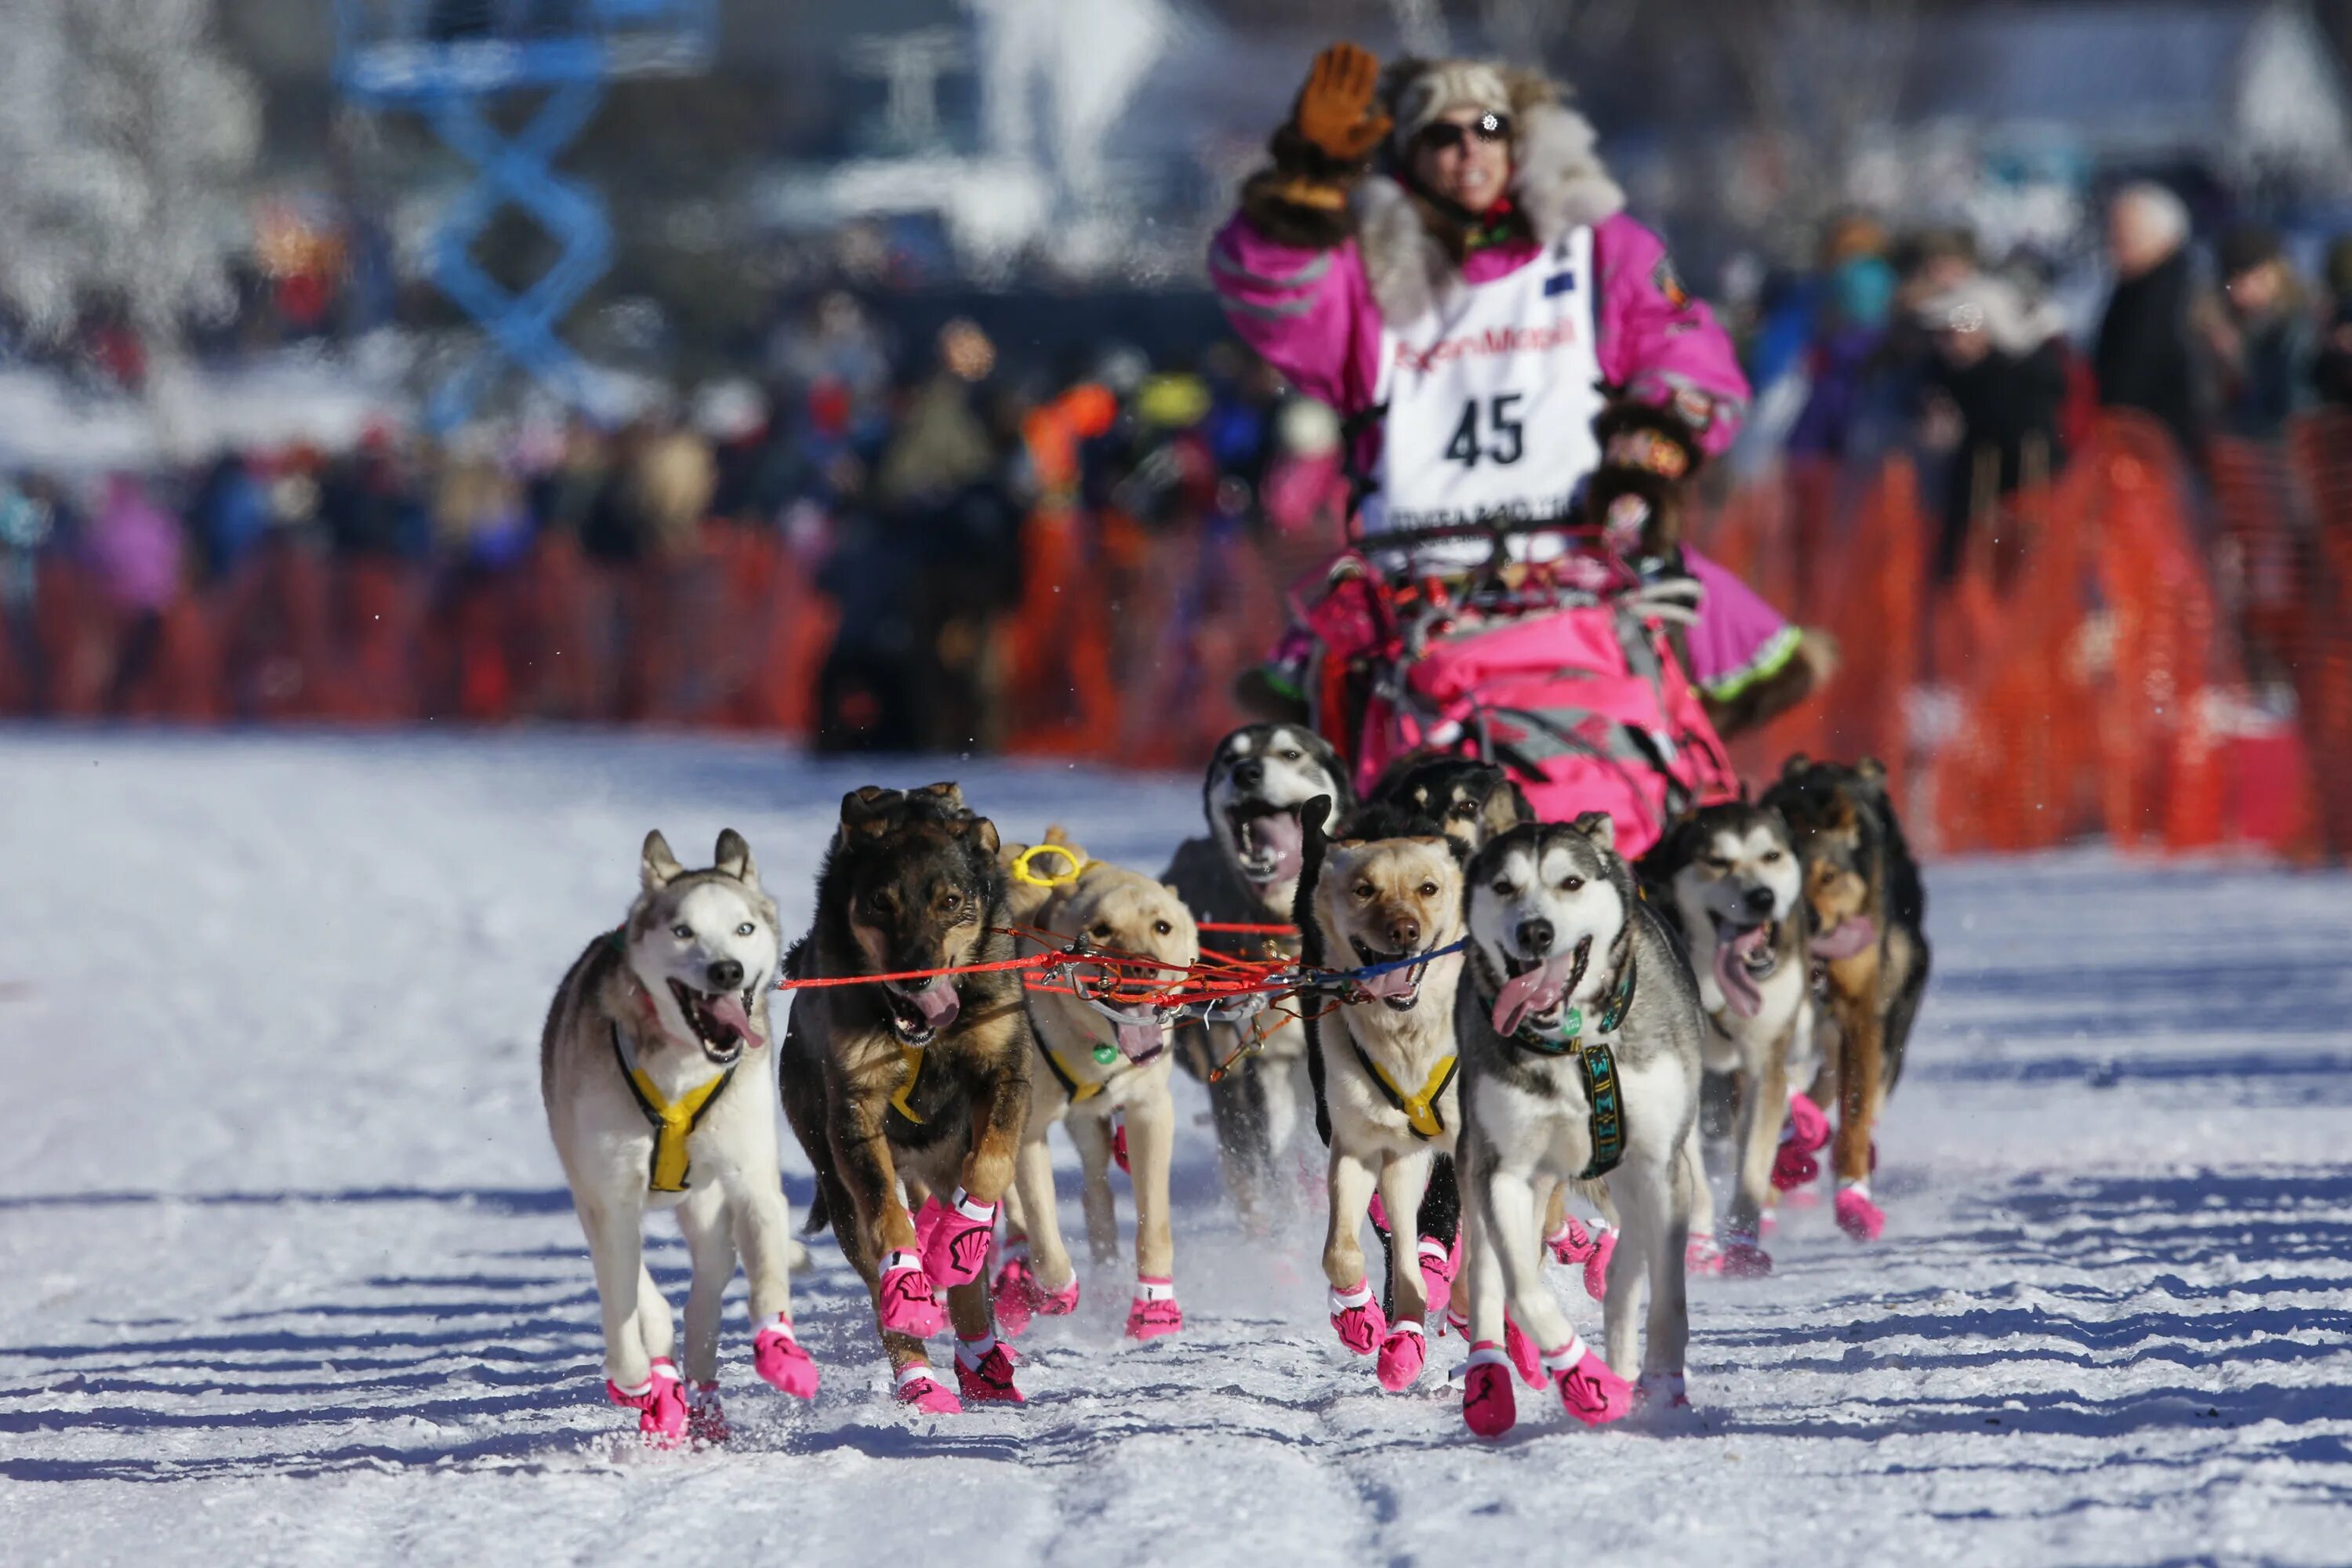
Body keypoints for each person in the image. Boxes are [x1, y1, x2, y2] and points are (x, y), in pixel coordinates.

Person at [1209, 44, 1823, 737]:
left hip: (1578, 558)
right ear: (1409, 154)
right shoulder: (1362, 269)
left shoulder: (1596, 248)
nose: (1469, 150)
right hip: (1416, 576)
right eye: (1443, 135)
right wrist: (1304, 184)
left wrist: (1650, 449)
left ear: (1520, 139)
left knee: (1647, 744)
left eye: (1489, 129)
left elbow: (1686, 354)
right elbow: (1272, 295)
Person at [1915, 274, 2071, 581]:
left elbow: (2028, 462)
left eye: (1953, 333)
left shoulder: (2014, 389)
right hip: (1979, 525)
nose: (1944, 344)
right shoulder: (1960, 385)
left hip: (2008, 532)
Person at [2094, 183, 2207, 464]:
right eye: (2113, 232)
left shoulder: (2170, 293)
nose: (2114, 242)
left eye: (2127, 233)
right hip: (2139, 438)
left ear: (2163, 237)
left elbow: (2141, 365)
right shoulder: (2134, 286)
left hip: (2162, 444)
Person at [2209, 223, 2318, 439]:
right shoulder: (2249, 327)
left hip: (2291, 453)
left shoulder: (2296, 327)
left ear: (2276, 274)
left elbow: (2294, 407)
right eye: (2232, 282)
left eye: (2249, 278)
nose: (2239, 291)